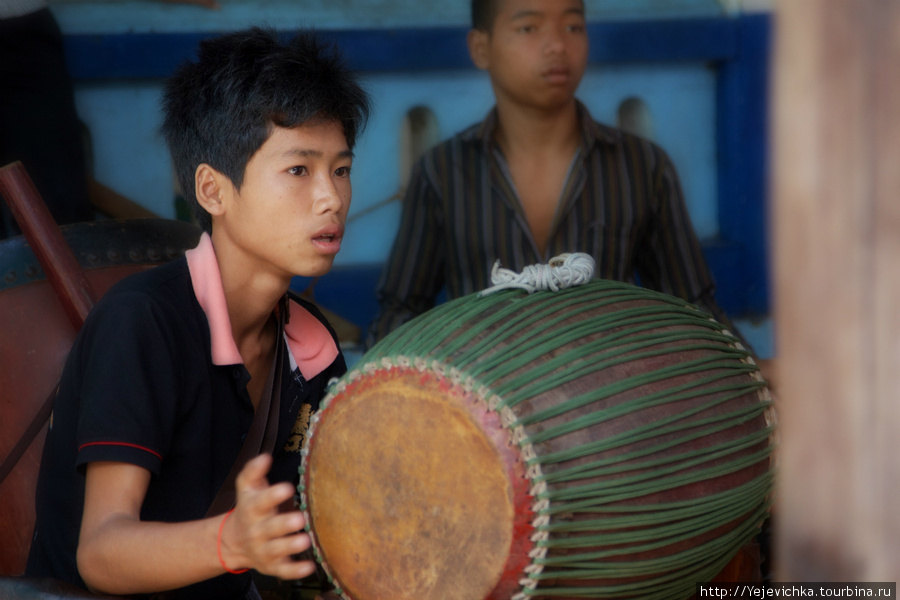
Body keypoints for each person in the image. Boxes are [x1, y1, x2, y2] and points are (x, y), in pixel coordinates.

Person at [24, 27, 370, 600]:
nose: (331, 197)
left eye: (341, 169)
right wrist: (234, 542)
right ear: (213, 190)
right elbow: (102, 552)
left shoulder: (314, 347)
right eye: (298, 170)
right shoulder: (143, 323)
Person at [367, 0, 744, 347]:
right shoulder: (441, 172)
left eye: (573, 27)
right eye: (529, 28)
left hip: (611, 402)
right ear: (481, 48)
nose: (557, 46)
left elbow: (693, 307)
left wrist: (750, 374)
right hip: (480, 407)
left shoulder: (642, 165)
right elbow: (402, 312)